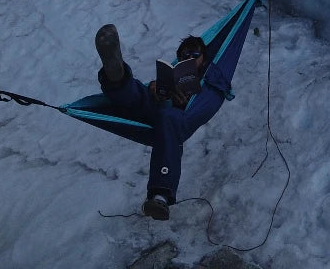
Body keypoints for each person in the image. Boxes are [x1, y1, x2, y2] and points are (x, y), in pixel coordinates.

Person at [95, 23, 233, 221]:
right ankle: (116, 76)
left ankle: (160, 196)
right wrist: (154, 87)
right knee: (138, 93)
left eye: (195, 54)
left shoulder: (212, 78)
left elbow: (216, 94)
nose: (190, 57)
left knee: (169, 116)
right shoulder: (174, 74)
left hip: (178, 118)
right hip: (155, 110)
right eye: (185, 55)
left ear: (204, 59)